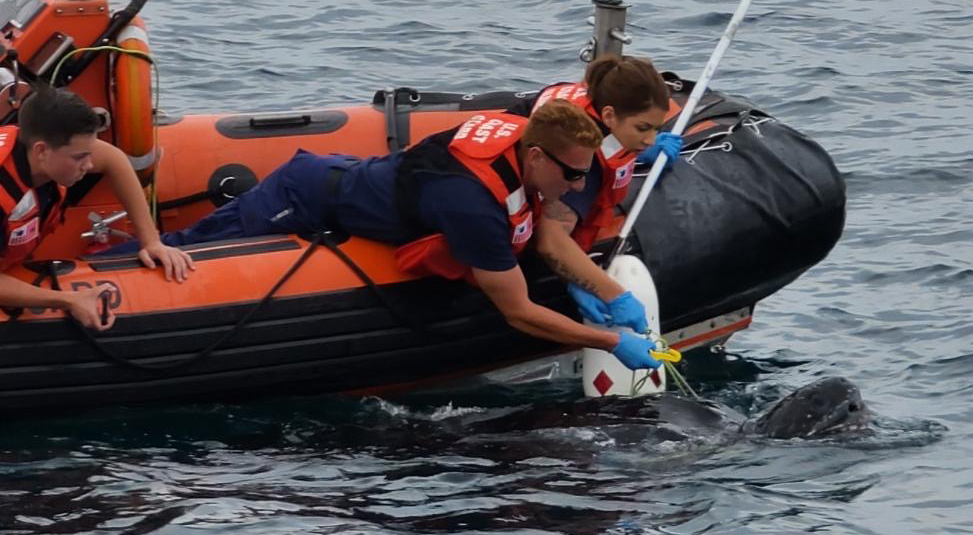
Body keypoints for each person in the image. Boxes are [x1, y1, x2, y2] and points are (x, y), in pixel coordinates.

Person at [103, 100, 661, 369]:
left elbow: (538, 226)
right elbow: (516, 312)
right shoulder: (473, 204)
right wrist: (613, 341)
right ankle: (98, 265)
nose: (580, 183)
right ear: (535, 156)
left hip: (357, 179)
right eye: (572, 174)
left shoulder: (519, 138)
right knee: (184, 256)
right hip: (300, 198)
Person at [509, 55, 683, 331]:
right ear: (609, 116)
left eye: (656, 129)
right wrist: (612, 294)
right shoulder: (582, 158)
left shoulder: (589, 104)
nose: (650, 138)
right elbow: (551, 241)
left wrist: (638, 147)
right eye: (642, 128)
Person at [0, 85, 194, 331]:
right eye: (80, 157)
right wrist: (68, 300)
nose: (89, 164)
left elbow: (113, 159)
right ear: (41, 151)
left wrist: (151, 241)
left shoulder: (38, 150)